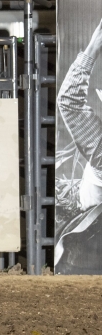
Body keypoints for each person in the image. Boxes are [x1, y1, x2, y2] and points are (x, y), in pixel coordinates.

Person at [55, 18, 102, 269]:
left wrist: (93, 51)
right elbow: (70, 103)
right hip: (89, 233)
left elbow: (69, 103)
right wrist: (92, 50)